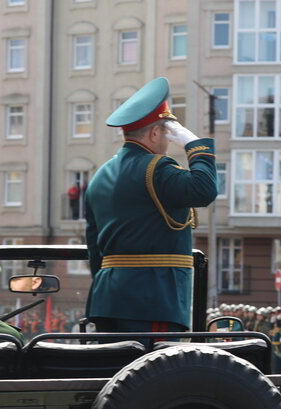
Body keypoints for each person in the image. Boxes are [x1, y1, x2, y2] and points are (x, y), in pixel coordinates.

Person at [85, 77, 217, 335]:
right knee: (152, 374)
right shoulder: (157, 168)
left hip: (107, 299)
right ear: (155, 133)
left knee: (114, 373)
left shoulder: (100, 175)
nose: (168, 141)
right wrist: (195, 145)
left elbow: (94, 250)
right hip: (152, 300)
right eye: (166, 133)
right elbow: (204, 190)